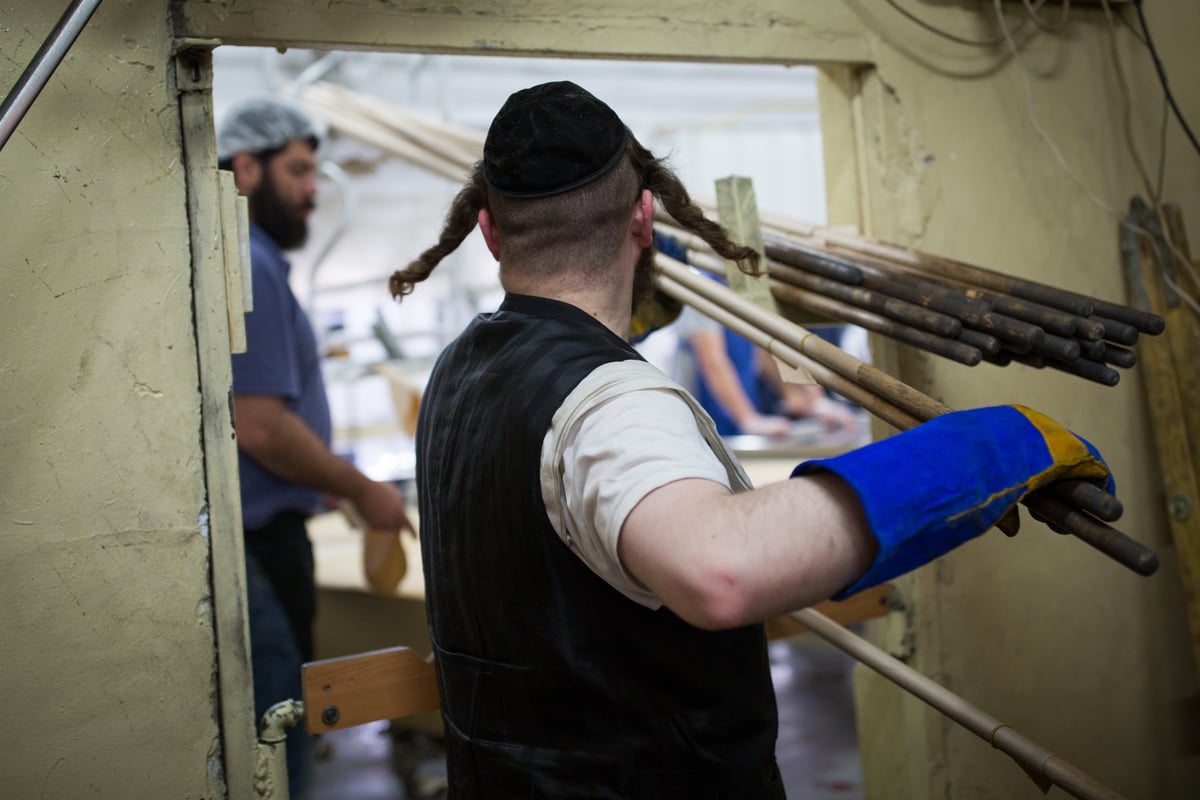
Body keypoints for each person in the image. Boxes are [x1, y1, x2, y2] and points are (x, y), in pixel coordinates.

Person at [388, 81, 1115, 799]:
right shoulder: (609, 401)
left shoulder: (461, 369)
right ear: (644, 218)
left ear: (487, 232)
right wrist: (984, 449)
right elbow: (723, 569)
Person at [217, 97, 412, 797]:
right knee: (280, 733)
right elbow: (263, 427)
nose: (313, 189)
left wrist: (319, 478)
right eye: (299, 170)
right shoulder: (252, 264)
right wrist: (362, 487)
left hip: (262, 527)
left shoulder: (241, 259)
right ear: (244, 169)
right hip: (259, 547)